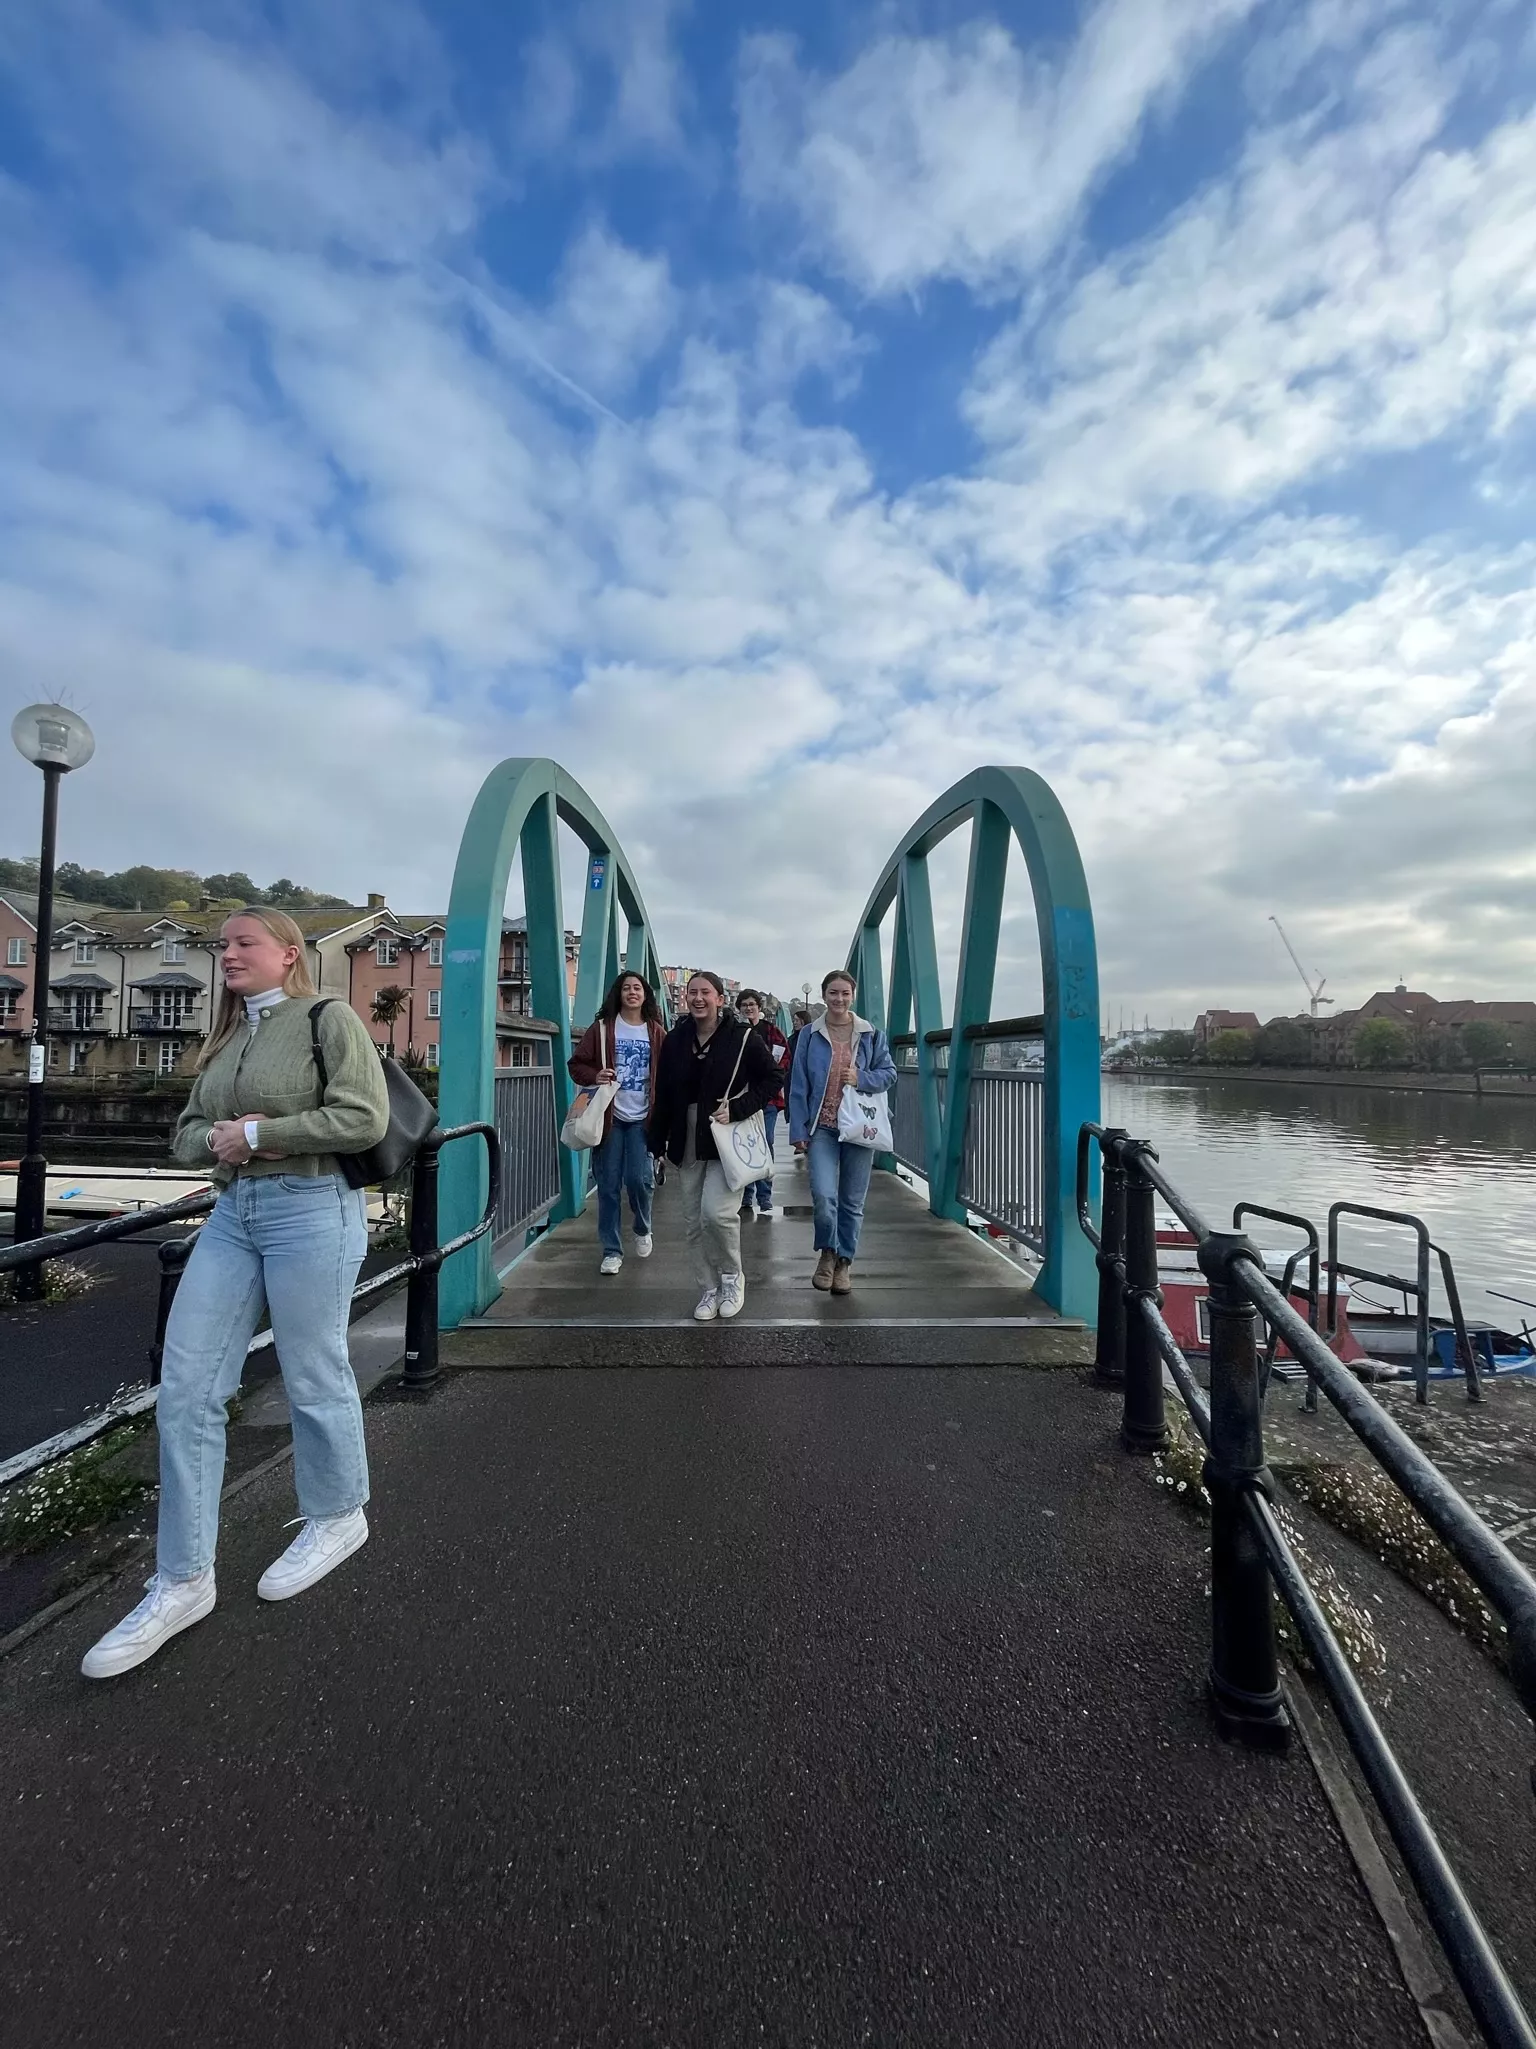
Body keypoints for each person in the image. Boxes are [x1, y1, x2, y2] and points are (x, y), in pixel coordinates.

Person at [81, 907, 390, 1680]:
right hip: (234, 1211)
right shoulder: (221, 1037)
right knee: (186, 1389)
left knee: (312, 1367)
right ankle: (183, 1578)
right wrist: (221, 1138)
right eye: (222, 945)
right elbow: (187, 1132)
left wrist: (257, 1135)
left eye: (243, 942)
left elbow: (364, 1115)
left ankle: (337, 1513)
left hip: (312, 1207)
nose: (227, 954)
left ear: (289, 954)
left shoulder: (328, 1017)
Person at [647, 970, 783, 1321]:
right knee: (693, 1221)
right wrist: (656, 1138)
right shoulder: (676, 1040)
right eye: (691, 992)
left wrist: (738, 1108)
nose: (697, 998)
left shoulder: (742, 1037)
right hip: (685, 1134)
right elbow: (663, 1092)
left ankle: (732, 1277)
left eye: (705, 992)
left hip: (726, 1135)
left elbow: (773, 1078)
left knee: (717, 1213)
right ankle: (707, 1287)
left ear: (720, 999)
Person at [787, 968, 897, 1296]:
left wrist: (861, 1078)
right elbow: (798, 1083)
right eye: (833, 993)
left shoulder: (871, 1034)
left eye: (845, 993)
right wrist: (797, 1128)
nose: (839, 999)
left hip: (859, 1127)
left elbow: (889, 1073)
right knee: (824, 1196)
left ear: (853, 996)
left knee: (852, 1200)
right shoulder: (809, 1034)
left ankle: (844, 1261)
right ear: (823, 996)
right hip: (822, 1126)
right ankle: (827, 1250)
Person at [569, 970, 666, 1274]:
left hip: (642, 1118)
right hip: (609, 1117)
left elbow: (671, 1072)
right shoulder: (602, 1029)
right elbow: (577, 1064)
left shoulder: (657, 1033)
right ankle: (612, 1250)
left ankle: (642, 1227)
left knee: (640, 1180)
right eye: (627, 988)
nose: (632, 992)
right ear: (618, 994)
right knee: (608, 1185)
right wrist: (594, 1076)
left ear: (645, 995)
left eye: (638, 988)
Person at [735, 990, 788, 1220]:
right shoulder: (734, 1033)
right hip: (743, 1098)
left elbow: (784, 1059)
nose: (748, 1008)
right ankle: (746, 1193)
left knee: (765, 1141)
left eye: (752, 1004)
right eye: (744, 1005)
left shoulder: (772, 1032)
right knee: (744, 1144)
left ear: (759, 1007)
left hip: (766, 1098)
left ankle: (764, 1195)